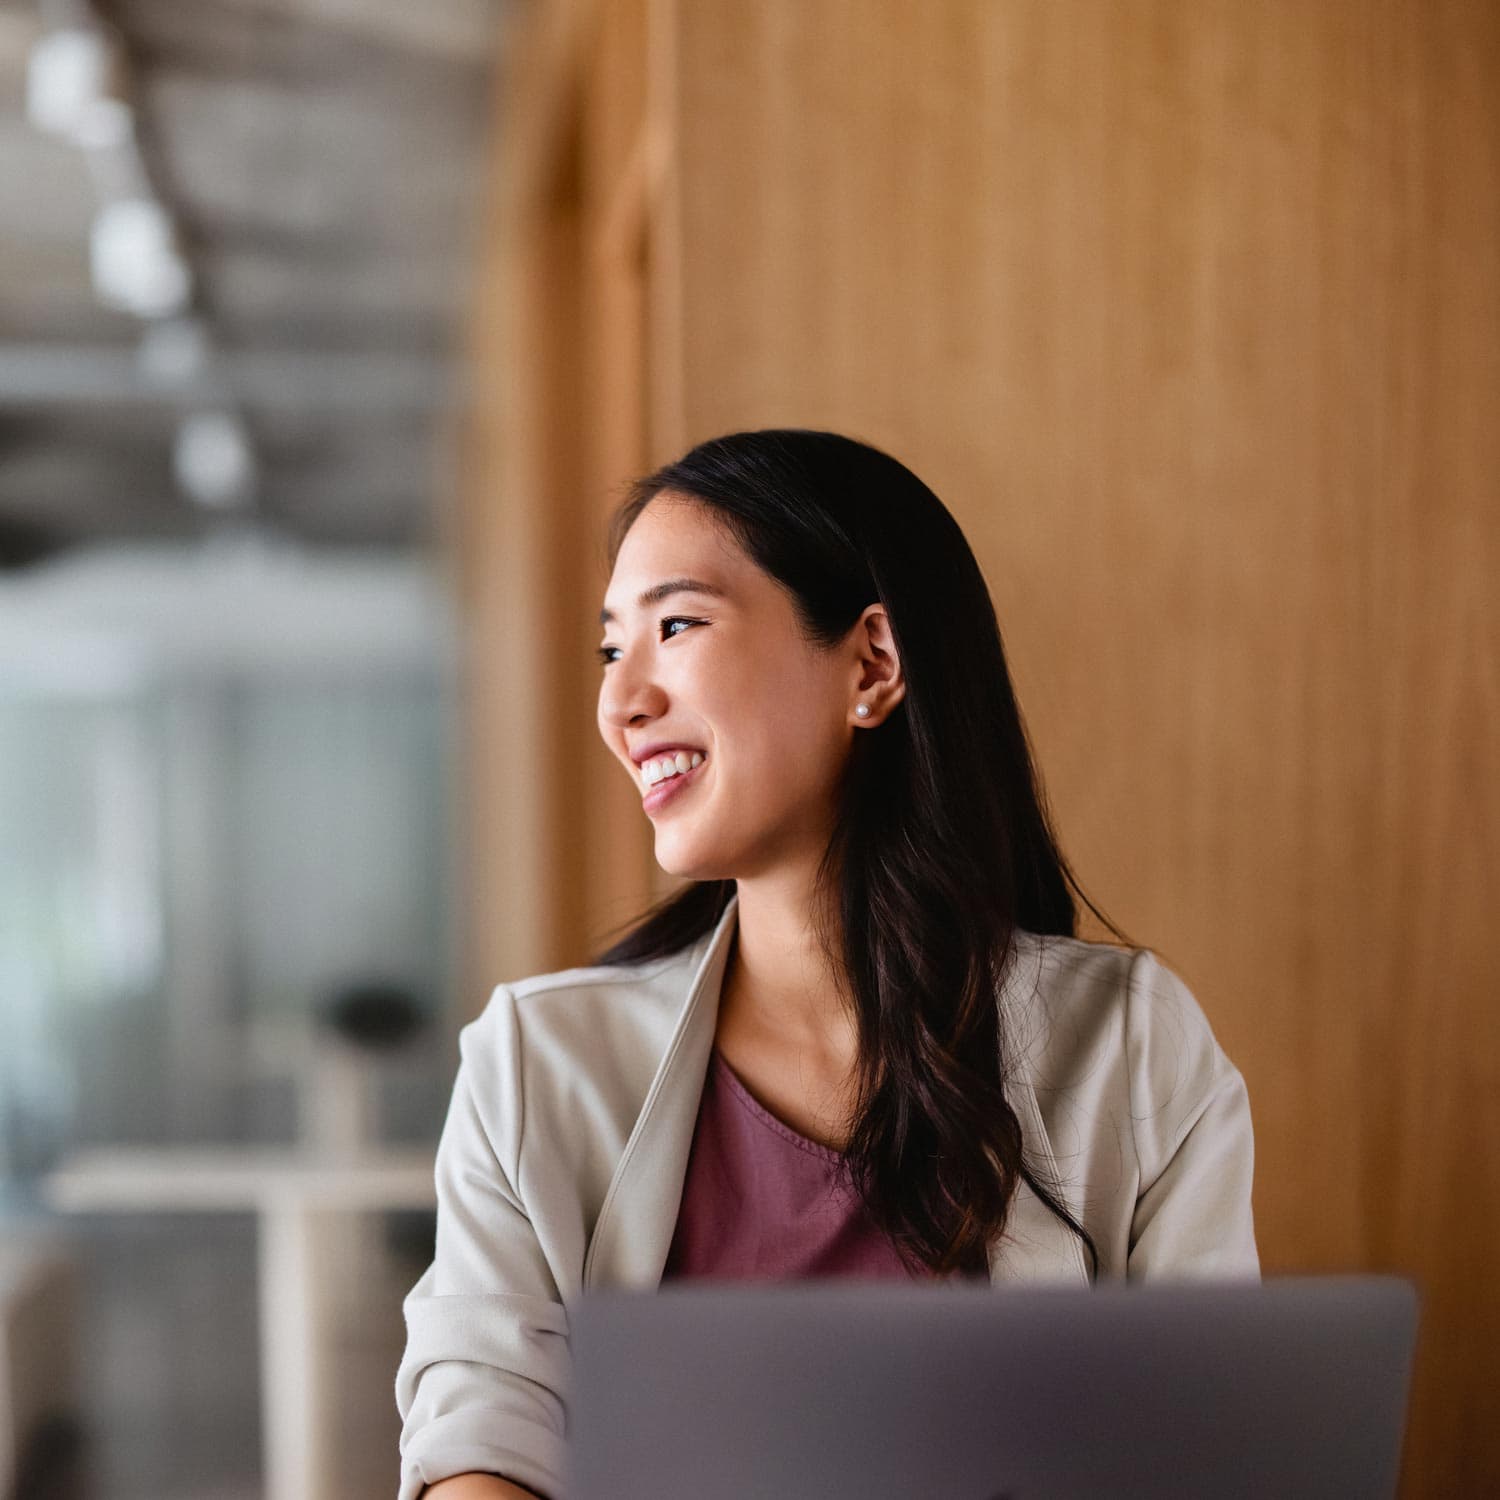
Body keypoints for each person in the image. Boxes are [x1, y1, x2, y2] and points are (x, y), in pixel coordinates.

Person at [395, 429, 1258, 1500]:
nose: (622, 705)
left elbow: (1211, 1448)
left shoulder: (1129, 1045)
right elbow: (479, 1437)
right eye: (613, 650)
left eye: (675, 626)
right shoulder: (537, 1063)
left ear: (872, 664)